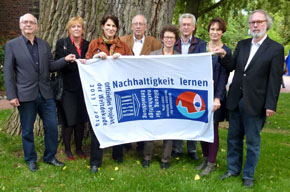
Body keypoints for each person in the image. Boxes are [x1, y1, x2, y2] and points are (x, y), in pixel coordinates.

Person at [216, 10, 284, 187]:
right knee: (233, 138)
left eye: (259, 22)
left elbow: (275, 80)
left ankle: (248, 176)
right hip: (236, 99)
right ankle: (233, 169)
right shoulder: (243, 44)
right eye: (252, 22)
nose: (255, 25)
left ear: (266, 24)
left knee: (253, 141)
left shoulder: (275, 49)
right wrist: (224, 55)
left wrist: (271, 104)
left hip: (256, 102)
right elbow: (232, 66)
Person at [4, 13, 76, 172]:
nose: (28, 25)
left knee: (51, 126)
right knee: (28, 130)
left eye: (31, 22)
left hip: (45, 93)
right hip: (25, 95)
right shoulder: (12, 45)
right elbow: (9, 72)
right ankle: (30, 159)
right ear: (20, 25)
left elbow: (50, 65)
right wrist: (12, 95)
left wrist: (65, 60)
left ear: (36, 26)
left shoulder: (43, 44)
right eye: (25, 22)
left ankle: (50, 156)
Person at [85, 15, 132, 173]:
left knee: (118, 121)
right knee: (98, 123)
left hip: (118, 91)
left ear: (117, 28)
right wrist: (95, 59)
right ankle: (95, 161)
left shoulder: (123, 46)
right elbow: (85, 65)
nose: (111, 28)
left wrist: (123, 59)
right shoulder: (94, 44)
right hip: (100, 92)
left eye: (113, 26)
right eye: (108, 25)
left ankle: (117, 154)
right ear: (103, 27)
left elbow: (133, 66)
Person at [194, 18, 231, 176]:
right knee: (203, 127)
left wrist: (218, 98)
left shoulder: (225, 51)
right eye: (212, 29)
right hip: (200, 94)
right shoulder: (201, 47)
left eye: (218, 29)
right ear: (208, 31)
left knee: (213, 129)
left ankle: (211, 163)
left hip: (215, 95)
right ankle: (205, 158)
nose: (215, 32)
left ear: (222, 32)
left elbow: (224, 76)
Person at [120, 14, 162, 152]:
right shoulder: (122, 41)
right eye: (135, 24)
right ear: (131, 26)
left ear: (146, 27)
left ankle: (142, 144)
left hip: (146, 84)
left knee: (144, 112)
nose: (138, 26)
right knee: (128, 111)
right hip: (127, 82)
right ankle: (126, 142)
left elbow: (160, 63)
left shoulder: (154, 43)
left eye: (141, 24)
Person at [142, 25, 180, 169]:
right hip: (155, 95)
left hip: (171, 97)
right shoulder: (153, 55)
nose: (169, 40)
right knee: (152, 126)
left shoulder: (180, 57)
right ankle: (147, 157)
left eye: (172, 37)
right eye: (166, 37)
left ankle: (165, 159)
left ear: (175, 40)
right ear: (162, 39)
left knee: (169, 129)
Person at [54, 16, 89, 160]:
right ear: (69, 29)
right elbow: (56, 63)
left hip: (83, 88)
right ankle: (68, 149)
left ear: (83, 29)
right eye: (73, 26)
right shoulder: (62, 43)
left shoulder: (87, 44)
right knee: (69, 120)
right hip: (67, 88)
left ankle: (79, 148)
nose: (76, 29)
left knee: (80, 120)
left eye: (79, 26)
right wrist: (66, 60)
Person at [172, 13, 205, 161]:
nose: (186, 27)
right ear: (180, 27)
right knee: (177, 116)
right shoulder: (173, 44)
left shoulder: (201, 44)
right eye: (183, 24)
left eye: (188, 25)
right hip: (176, 85)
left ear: (194, 27)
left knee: (193, 116)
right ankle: (177, 149)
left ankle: (192, 149)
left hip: (193, 86)